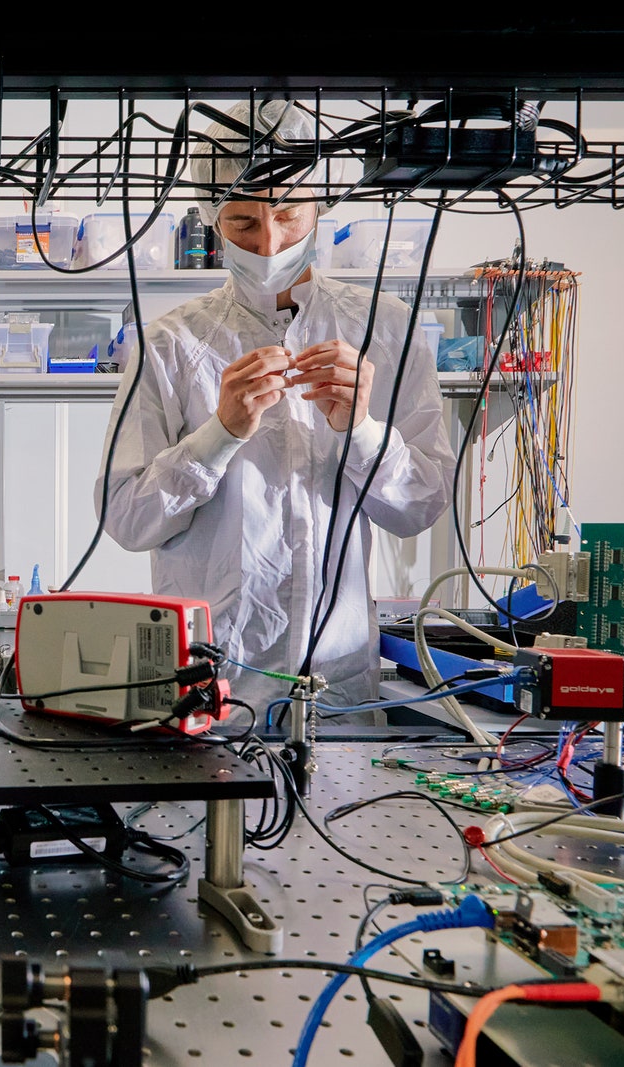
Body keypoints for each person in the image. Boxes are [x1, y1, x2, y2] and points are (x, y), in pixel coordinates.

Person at [96, 101, 456, 717]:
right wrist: (218, 436)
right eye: (242, 223)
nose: (269, 244)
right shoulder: (171, 345)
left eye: (289, 215)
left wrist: (362, 432)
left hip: (337, 686)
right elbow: (128, 520)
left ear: (320, 208)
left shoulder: (385, 333)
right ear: (212, 220)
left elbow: (421, 506)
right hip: (208, 683)